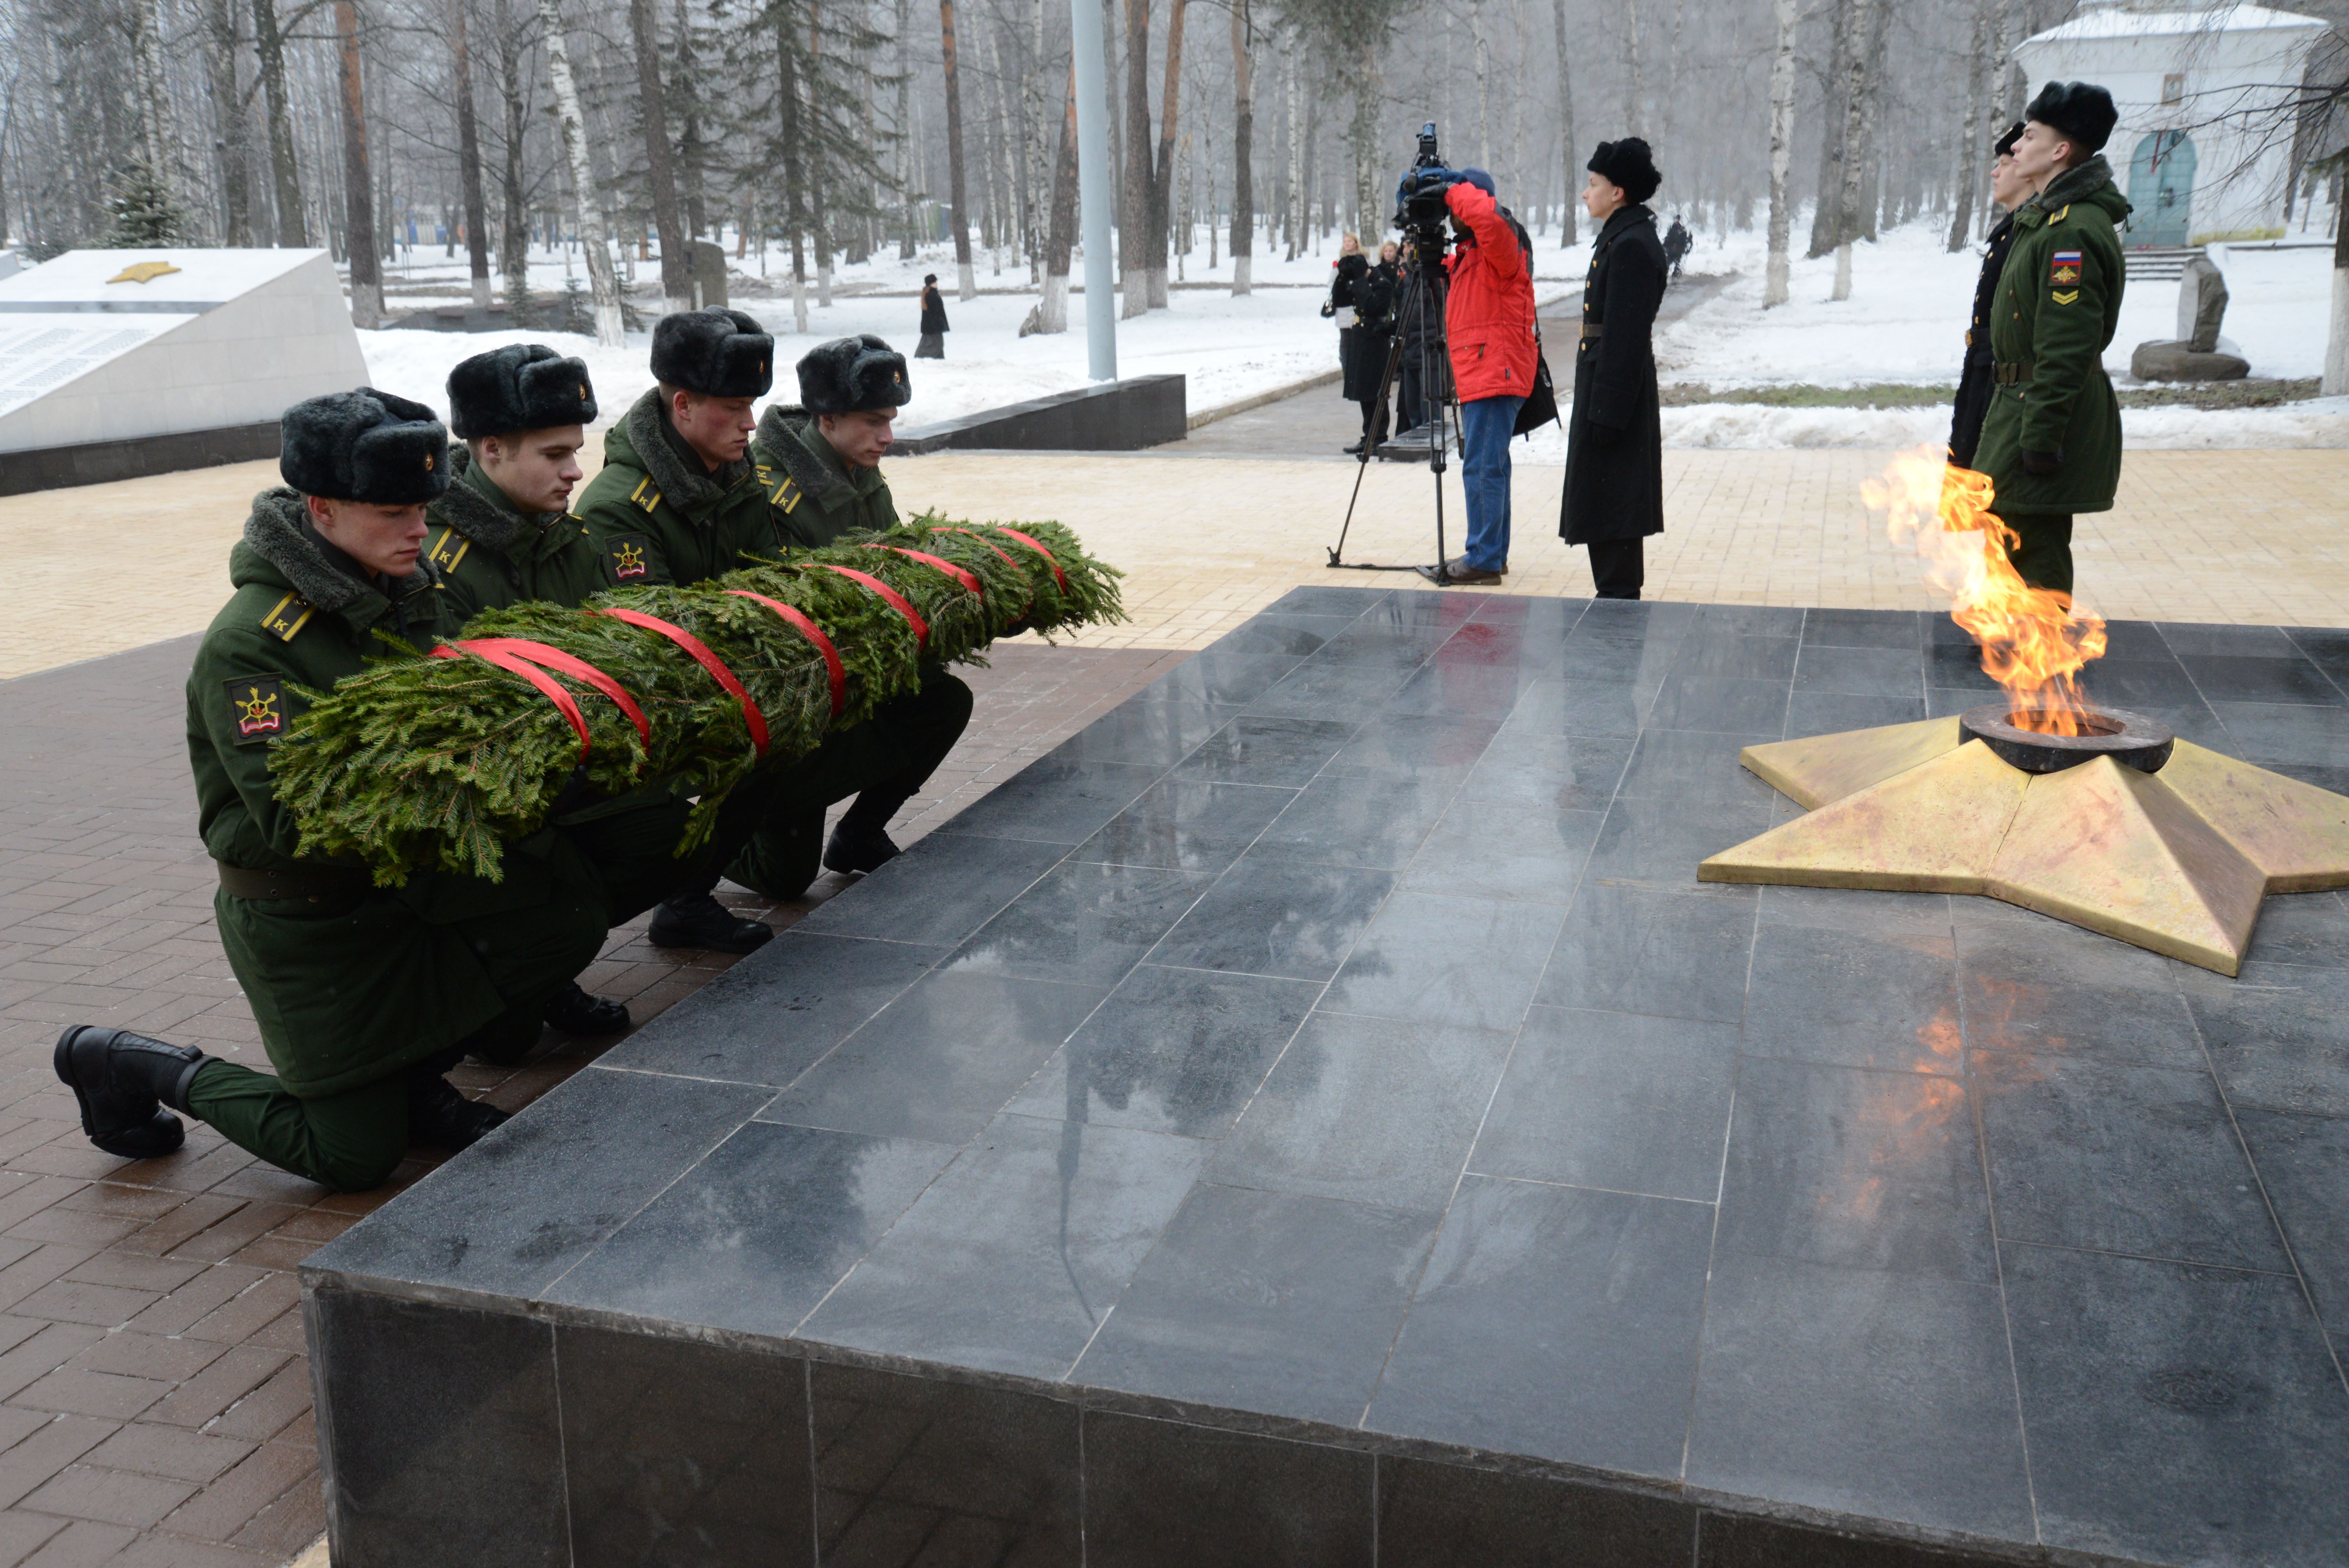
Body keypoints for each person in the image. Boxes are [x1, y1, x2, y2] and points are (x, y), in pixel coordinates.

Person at [53, 390, 612, 1191]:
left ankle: (412, 1078)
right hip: (309, 920)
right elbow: (295, 821)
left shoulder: (413, 594)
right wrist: (477, 789)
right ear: (321, 508)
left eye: (425, 507)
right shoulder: (253, 642)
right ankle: (128, 1061)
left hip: (400, 885)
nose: (420, 529)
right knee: (351, 1156)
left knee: (567, 910)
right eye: (393, 511)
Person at [432, 342, 774, 957]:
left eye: (575, 453)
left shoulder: (564, 539)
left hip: (579, 762)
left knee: (688, 820)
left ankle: (557, 947)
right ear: (490, 450)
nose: (574, 472)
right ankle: (529, 962)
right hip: (495, 794)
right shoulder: (437, 563)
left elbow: (616, 649)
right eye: (554, 454)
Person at [575, 307, 792, 950]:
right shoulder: (620, 507)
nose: (752, 424)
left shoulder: (733, 473)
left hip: (730, 679)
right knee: (749, 744)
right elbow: (658, 641)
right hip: (654, 701)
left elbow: (773, 579)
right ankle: (682, 897)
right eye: (734, 406)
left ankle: (706, 880)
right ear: (684, 404)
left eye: (753, 404)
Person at [738, 334, 975, 889]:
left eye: (890, 420)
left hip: (855, 675)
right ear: (828, 418)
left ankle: (860, 832)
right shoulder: (774, 491)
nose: (888, 437)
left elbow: (892, 561)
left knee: (942, 701)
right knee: (785, 881)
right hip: (801, 695)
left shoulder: (858, 467)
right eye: (874, 421)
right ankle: (693, 858)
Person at [1972, 81, 2128, 597]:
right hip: (2016, 404)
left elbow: (2066, 347)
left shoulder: (2071, 230)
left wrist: (2041, 438)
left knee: (2034, 547)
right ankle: (2012, 651)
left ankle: (2040, 664)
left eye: (2030, 136)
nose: (2016, 147)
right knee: (2009, 535)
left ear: (2061, 151)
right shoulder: (2046, 220)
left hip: (2039, 411)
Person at [1559, 138, 1667, 600]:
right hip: (1605, 384)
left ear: (1617, 191)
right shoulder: (1622, 237)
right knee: (1605, 499)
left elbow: (1625, 337)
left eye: (1593, 183)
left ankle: (1619, 602)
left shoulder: (1631, 246)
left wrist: (1607, 409)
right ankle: (1614, 595)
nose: (1586, 193)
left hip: (1615, 391)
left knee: (1616, 500)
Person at [1418, 169, 1536, 586]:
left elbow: (1485, 219)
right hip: (1487, 369)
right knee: (1491, 466)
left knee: (1482, 467)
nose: (1451, 214)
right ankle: (1492, 553)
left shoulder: (1503, 240)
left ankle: (1484, 560)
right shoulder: (1475, 254)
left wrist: (1451, 190)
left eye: (1456, 207)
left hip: (1494, 370)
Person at [1949, 123, 2030, 471]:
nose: (1995, 173)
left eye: (2004, 164)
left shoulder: (2030, 232)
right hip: (1985, 369)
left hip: (2002, 375)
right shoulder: (2013, 229)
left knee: (1994, 489)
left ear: (2026, 171)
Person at [1342, 241, 1399, 456]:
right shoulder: (1364, 281)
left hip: (1375, 342)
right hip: (1361, 340)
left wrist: (1360, 281)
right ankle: (1368, 436)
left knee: (1376, 392)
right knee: (1364, 392)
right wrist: (1345, 277)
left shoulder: (1382, 283)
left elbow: (1370, 306)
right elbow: (1340, 299)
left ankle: (1379, 437)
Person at [917, 274, 948, 358]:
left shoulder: (930, 293)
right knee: (935, 343)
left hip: (931, 325)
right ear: (930, 284)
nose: (936, 284)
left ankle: (939, 359)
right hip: (933, 326)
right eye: (935, 282)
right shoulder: (931, 295)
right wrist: (939, 322)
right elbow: (935, 312)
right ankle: (922, 358)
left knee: (932, 342)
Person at [1663, 214, 1692, 281]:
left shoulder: (1682, 230)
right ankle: (1667, 277)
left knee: (1677, 265)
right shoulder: (1672, 228)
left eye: (1677, 219)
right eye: (1675, 219)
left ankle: (1675, 278)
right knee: (1668, 264)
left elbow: (1684, 241)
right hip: (1672, 250)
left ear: (1679, 220)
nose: (1676, 221)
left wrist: (1683, 248)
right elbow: (1668, 239)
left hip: (1678, 251)